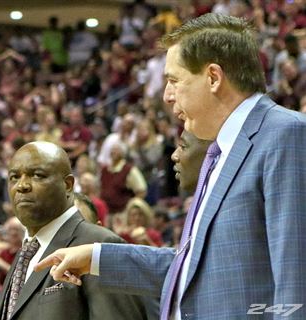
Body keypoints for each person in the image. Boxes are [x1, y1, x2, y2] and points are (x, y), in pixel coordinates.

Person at [36, 13, 306, 319]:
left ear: (213, 77)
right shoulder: (222, 150)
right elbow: (194, 273)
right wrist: (96, 257)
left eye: (174, 80)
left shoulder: (286, 135)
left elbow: (297, 280)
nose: (166, 95)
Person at [0, 141, 149, 320]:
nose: (22, 185)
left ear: (68, 185)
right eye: (14, 177)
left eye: (37, 175)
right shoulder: (26, 253)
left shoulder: (100, 244)